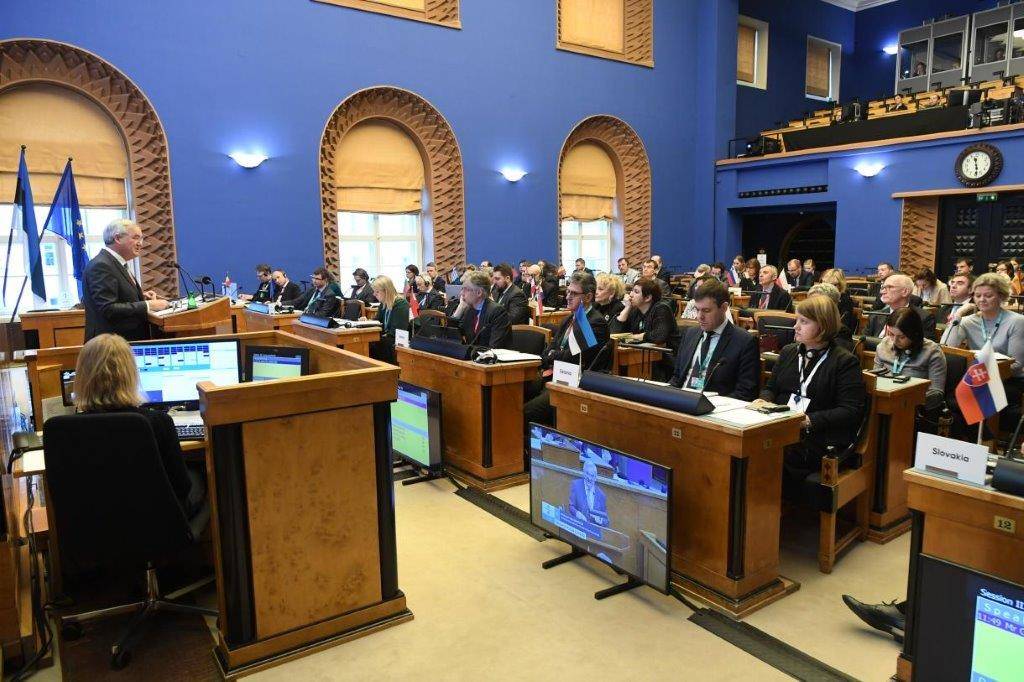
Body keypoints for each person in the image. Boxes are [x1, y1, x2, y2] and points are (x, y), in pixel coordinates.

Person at [74, 333, 205, 521]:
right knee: (202, 475)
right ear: (132, 374)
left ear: (82, 376)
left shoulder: (65, 429)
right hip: (157, 524)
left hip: (94, 528)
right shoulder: (158, 422)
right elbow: (182, 487)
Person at [751, 296, 866, 499]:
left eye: (804, 322)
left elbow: (850, 411)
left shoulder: (845, 362)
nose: (796, 327)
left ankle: (764, 513)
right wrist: (764, 400)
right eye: (797, 320)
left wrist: (808, 421)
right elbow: (771, 388)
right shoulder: (788, 352)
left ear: (823, 326)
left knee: (766, 454)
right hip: (781, 427)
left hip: (817, 438)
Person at [523, 272, 610, 429]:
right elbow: (551, 349)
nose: (567, 297)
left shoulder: (595, 323)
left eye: (574, 293)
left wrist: (551, 356)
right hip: (554, 375)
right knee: (513, 395)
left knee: (527, 412)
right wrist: (551, 356)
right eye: (568, 291)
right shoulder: (569, 318)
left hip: (575, 383)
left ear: (588, 297)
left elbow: (572, 357)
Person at [944, 272, 1024, 408]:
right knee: (949, 398)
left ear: (1001, 296)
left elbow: (1016, 366)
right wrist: (957, 316)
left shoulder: (1016, 321)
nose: (982, 300)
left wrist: (980, 375)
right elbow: (946, 346)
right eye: (978, 295)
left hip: (1009, 380)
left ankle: (983, 430)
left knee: (970, 399)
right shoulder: (968, 321)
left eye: (988, 296)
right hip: (977, 377)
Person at [669, 279, 759, 400]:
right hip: (681, 403)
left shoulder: (744, 341)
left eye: (706, 311)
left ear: (724, 308)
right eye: (697, 309)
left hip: (714, 410)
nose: (699, 317)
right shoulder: (690, 334)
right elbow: (677, 377)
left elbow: (745, 393)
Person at [82, 219, 169, 341]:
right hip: (110, 346)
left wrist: (138, 297)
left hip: (122, 342)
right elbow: (108, 309)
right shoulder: (102, 265)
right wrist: (148, 305)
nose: (140, 243)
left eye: (141, 239)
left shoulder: (115, 263)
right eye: (136, 238)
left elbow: (114, 297)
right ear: (117, 238)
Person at [874, 307, 946, 410]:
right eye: (891, 334)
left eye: (901, 337)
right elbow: (874, 380)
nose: (894, 340)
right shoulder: (883, 346)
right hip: (882, 404)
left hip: (914, 408)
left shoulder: (932, 352)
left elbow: (936, 393)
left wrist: (906, 402)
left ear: (914, 333)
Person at [616, 277, 680, 381]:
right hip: (642, 358)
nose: (631, 295)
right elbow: (618, 333)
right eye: (631, 290)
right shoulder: (635, 311)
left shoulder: (662, 309)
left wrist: (640, 336)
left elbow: (659, 336)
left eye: (636, 292)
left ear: (648, 298)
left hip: (665, 362)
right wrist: (627, 308)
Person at [450, 270, 512, 348]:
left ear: (479, 293)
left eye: (465, 289)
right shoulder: (468, 310)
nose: (461, 293)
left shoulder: (497, 312)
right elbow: (452, 338)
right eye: (462, 289)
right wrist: (460, 309)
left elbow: (494, 347)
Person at [866, 274, 935, 339]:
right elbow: (862, 343)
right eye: (883, 287)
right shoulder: (875, 316)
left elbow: (925, 348)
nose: (882, 292)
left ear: (905, 292)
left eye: (889, 287)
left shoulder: (923, 318)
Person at [807, 282, 854, 349]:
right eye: (809, 303)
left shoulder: (841, 333)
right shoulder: (804, 325)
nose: (810, 308)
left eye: (817, 304)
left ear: (832, 306)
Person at [568, 461, 609, 527]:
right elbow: (571, 506)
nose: (589, 478)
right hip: (578, 527)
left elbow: (606, 520)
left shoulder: (601, 495)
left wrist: (600, 520)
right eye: (587, 474)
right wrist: (577, 513)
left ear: (595, 477)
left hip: (593, 532)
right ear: (583, 473)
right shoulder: (576, 485)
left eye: (592, 475)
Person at [938, 272, 975, 343]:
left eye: (960, 283)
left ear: (971, 289)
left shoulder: (976, 311)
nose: (953, 286)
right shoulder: (943, 309)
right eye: (952, 283)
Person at [820, 268, 857, 334]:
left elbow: (843, 326)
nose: (829, 288)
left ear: (840, 285)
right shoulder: (820, 298)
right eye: (826, 284)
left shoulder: (846, 301)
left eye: (834, 285)